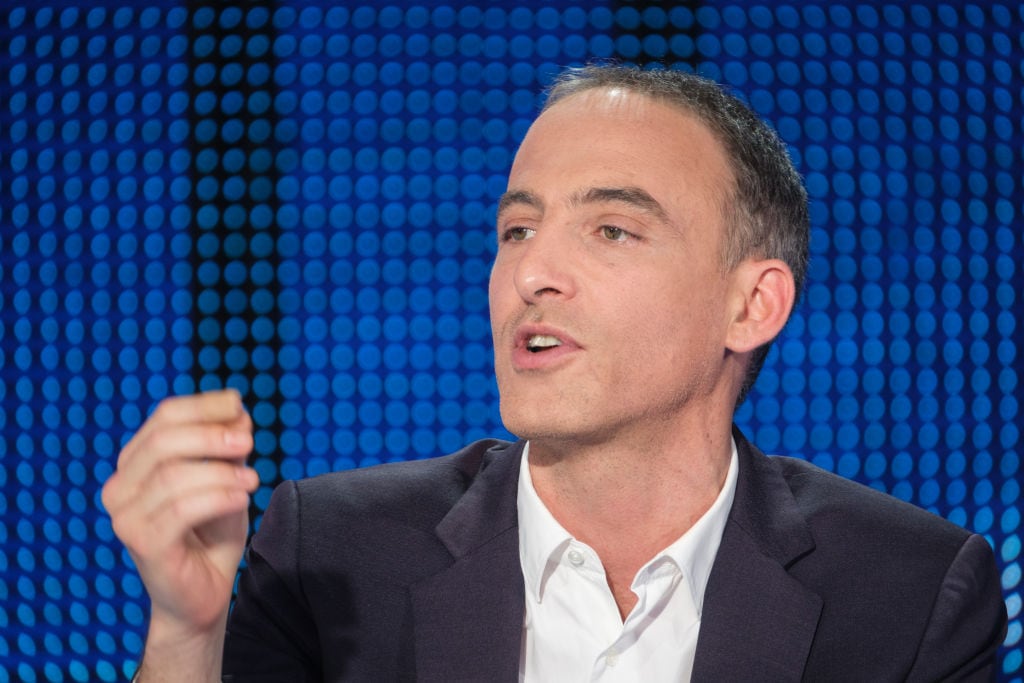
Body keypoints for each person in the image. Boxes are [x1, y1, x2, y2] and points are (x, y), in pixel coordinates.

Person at [102, 65, 1007, 681]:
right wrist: (186, 635)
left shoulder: (912, 592)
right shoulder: (331, 554)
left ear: (752, 304)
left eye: (612, 229)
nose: (532, 272)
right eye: (517, 229)